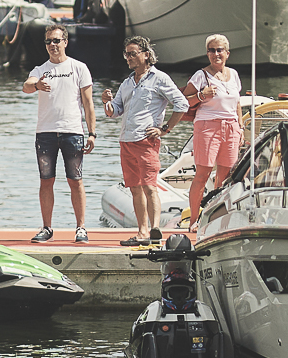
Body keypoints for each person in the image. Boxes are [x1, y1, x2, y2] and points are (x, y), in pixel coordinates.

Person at [104, 34, 189, 246]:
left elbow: (182, 104)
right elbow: (115, 111)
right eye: (126, 55)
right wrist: (107, 103)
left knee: (149, 186)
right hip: (127, 141)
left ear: (146, 55)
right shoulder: (127, 83)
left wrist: (165, 129)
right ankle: (142, 231)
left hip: (146, 142)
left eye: (133, 54)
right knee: (134, 188)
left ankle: (154, 229)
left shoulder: (159, 78)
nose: (129, 58)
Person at [21, 23, 95, 243]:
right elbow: (27, 85)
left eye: (56, 41)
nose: (52, 45)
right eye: (48, 42)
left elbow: (88, 103)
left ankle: (81, 227)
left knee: (76, 180)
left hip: (72, 131)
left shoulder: (79, 67)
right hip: (45, 133)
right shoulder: (40, 70)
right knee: (46, 180)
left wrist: (92, 133)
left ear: (65, 42)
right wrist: (36, 86)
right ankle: (47, 227)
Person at [186, 33, 243, 220]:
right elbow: (183, 102)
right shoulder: (200, 76)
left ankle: (217, 217)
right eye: (211, 50)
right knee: (203, 174)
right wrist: (201, 96)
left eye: (220, 50)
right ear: (207, 54)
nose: (216, 54)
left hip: (231, 127)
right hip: (207, 127)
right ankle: (194, 219)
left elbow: (237, 104)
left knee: (226, 176)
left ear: (227, 53)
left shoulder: (233, 74)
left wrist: (240, 127)